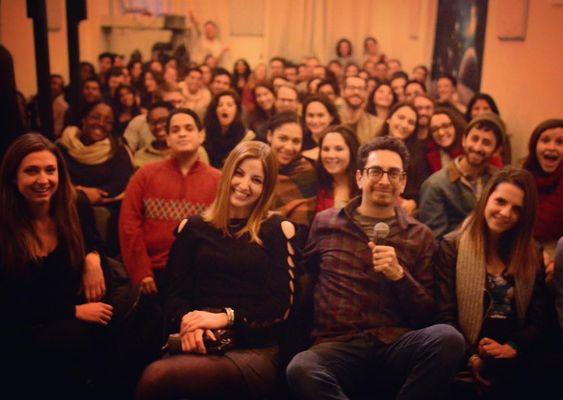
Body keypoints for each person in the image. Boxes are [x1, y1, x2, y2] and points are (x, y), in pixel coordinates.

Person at [286, 136, 465, 400]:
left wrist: (400, 276)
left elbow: (427, 314)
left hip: (394, 345)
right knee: (301, 368)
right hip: (338, 345)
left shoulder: (421, 236)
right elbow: (306, 279)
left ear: (403, 182)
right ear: (359, 177)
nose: (384, 180)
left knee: (448, 339)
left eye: (393, 173)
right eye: (375, 171)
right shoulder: (326, 223)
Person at [136, 141, 296, 400]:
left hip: (250, 348)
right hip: (197, 338)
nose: (244, 185)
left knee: (158, 377)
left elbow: (279, 307)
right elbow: (174, 296)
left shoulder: (276, 229)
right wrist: (192, 325)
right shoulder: (193, 228)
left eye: (256, 180)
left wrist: (225, 318)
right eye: (239, 173)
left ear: (266, 189)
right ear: (227, 173)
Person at [0, 133, 111, 396]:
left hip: (70, 321)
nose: (43, 180)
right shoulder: (4, 223)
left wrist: (92, 258)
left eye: (50, 170)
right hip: (21, 328)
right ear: (13, 178)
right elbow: (9, 304)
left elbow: (96, 242)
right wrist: (72, 311)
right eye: (31, 171)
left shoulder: (75, 205)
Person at [435, 167, 548, 398]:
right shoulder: (451, 247)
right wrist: (472, 357)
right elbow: (444, 315)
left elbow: (539, 318)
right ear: (486, 199)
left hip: (515, 355)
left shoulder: (533, 252)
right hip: (464, 354)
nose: (506, 213)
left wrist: (513, 348)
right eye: (500, 201)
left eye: (517, 209)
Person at [120, 108, 221, 298]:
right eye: (175, 130)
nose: (182, 133)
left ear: (201, 135)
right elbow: (129, 225)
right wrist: (141, 271)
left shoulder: (219, 181)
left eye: (189, 128)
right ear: (167, 139)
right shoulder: (144, 175)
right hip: (153, 275)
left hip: (199, 276)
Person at [419, 112, 505, 238]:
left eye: (486, 143)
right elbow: (435, 242)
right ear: (464, 140)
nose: (477, 147)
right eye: (474, 139)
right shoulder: (435, 185)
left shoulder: (499, 182)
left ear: (496, 150)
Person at [523, 119, 563, 281]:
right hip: (523, 246)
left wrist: (556, 261)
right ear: (534, 145)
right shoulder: (523, 175)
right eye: (545, 140)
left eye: (560, 142)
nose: (551, 147)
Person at [267, 111, 317, 227]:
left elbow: (302, 227)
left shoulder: (306, 174)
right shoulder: (257, 166)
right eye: (283, 139)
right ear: (270, 136)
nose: (289, 147)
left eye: (296, 141)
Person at [204, 89, 255, 168]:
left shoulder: (246, 137)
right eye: (220, 105)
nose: (224, 108)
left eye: (229, 105)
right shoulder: (204, 135)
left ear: (237, 110)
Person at [316, 125, 360, 212]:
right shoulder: (316, 186)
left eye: (339, 149)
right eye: (326, 149)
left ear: (352, 151)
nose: (331, 155)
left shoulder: (365, 186)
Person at [340, 75, 383, 144]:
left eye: (361, 89)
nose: (356, 92)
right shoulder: (332, 121)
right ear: (342, 91)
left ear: (366, 94)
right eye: (351, 88)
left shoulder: (377, 125)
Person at [426, 106, 466, 172]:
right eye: (434, 129)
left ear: (456, 126)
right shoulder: (428, 156)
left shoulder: (469, 149)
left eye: (445, 126)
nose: (440, 133)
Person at [301, 95, 341, 160]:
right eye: (310, 115)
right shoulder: (300, 143)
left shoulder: (341, 141)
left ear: (331, 117)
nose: (315, 121)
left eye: (320, 115)